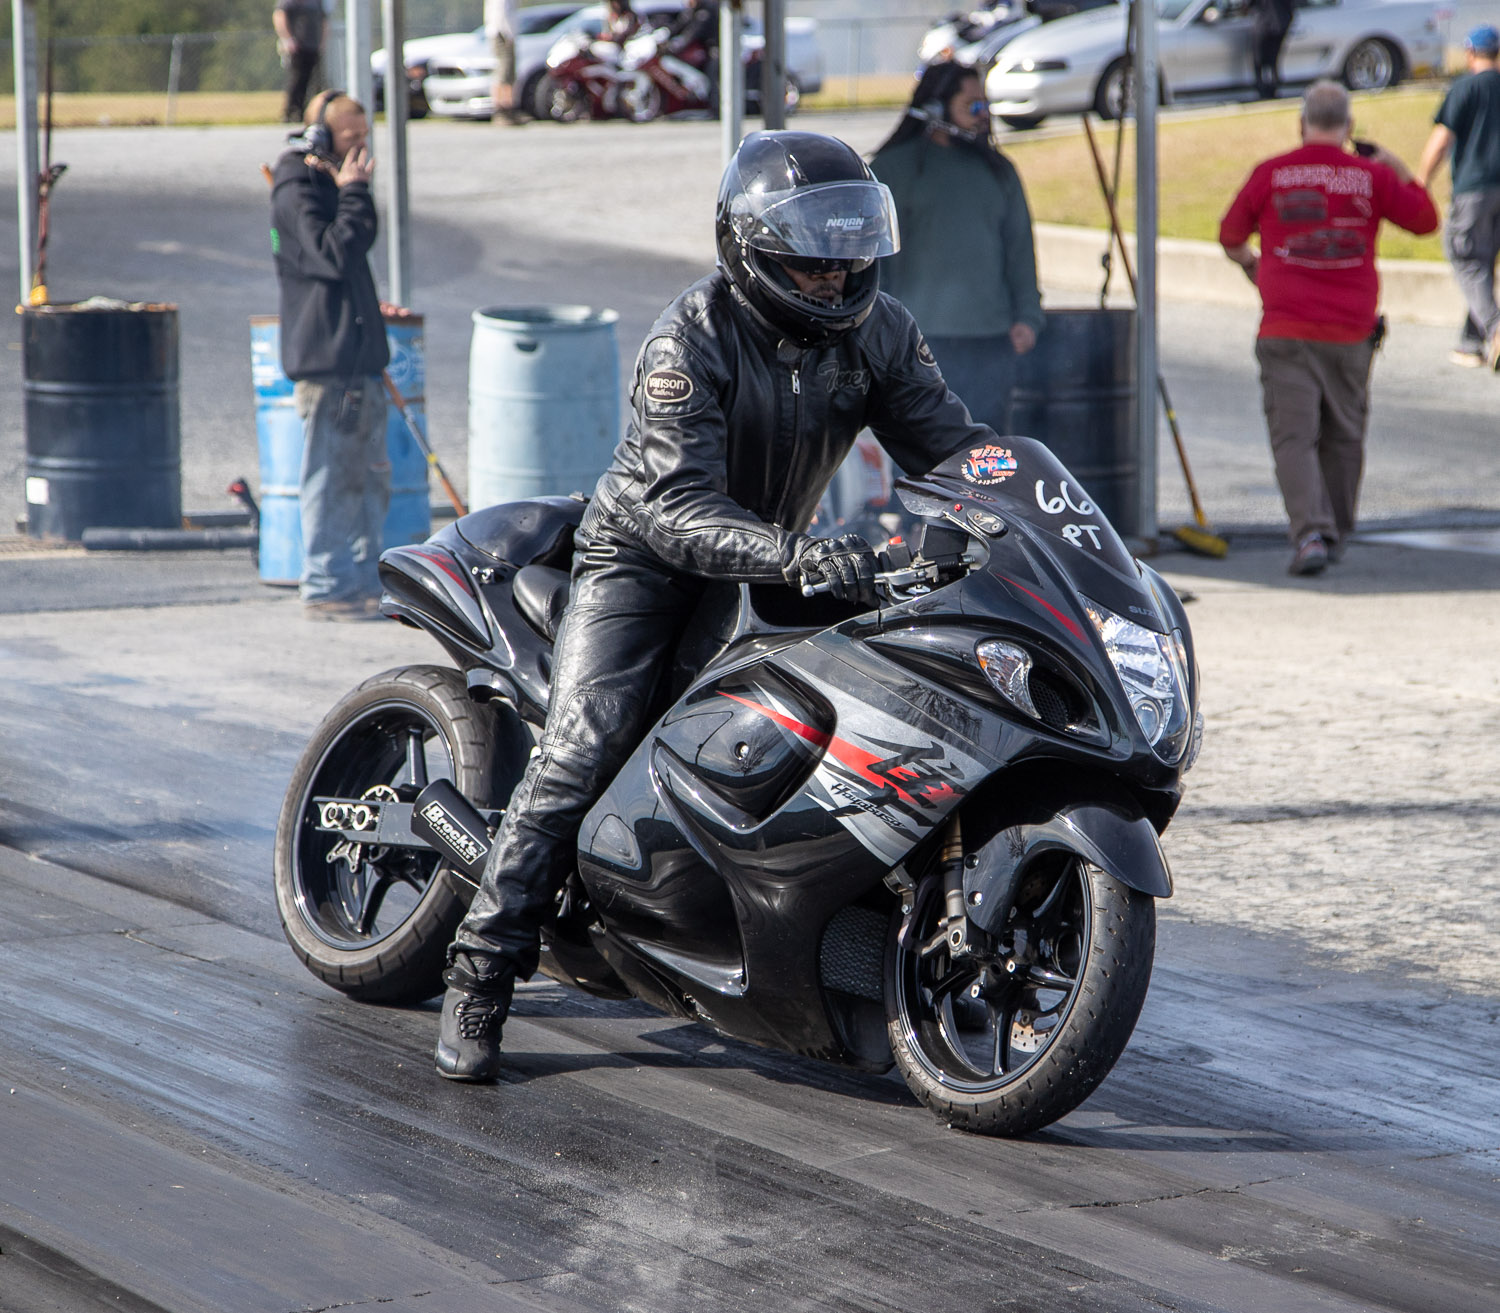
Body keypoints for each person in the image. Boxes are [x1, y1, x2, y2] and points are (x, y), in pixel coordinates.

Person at [434, 130, 1000, 1082]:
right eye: (811, 252)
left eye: (848, 245)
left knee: (858, 721)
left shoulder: (880, 331)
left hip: (774, 557)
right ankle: (480, 969)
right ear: (749, 244)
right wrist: (800, 554)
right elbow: (677, 505)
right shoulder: (689, 336)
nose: (834, 271)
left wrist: (1026, 516)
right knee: (585, 742)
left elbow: (955, 450)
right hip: (647, 555)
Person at [1219, 80, 1437, 576]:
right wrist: (1396, 165)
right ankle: (1336, 532)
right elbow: (1425, 220)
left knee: (1293, 436)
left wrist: (1255, 267)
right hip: (1350, 331)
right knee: (1344, 434)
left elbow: (1230, 236)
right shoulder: (1371, 176)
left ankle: (1309, 534)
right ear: (1349, 126)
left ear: (1301, 124)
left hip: (1285, 328)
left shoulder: (1271, 173)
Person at [269, 91, 393, 620]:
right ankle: (325, 583)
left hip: (357, 358)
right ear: (320, 135)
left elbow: (358, 243)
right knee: (330, 476)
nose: (360, 146)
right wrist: (355, 192)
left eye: (365, 135)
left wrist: (352, 193)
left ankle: (359, 579)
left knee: (368, 476)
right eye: (350, 136)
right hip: (328, 361)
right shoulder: (298, 187)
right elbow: (334, 254)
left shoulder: (333, 184)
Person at [870, 60, 1043, 435]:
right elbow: (874, 265)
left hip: (990, 341)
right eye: (972, 106)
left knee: (987, 456)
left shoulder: (999, 171)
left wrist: (1028, 317)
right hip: (917, 346)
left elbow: (1019, 250)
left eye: (985, 105)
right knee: (919, 452)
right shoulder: (892, 170)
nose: (983, 116)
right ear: (935, 108)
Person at [1416, 25, 1500, 370]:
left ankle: (1495, 329)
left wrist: (1421, 181)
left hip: (1474, 187)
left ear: (1469, 53)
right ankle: (1470, 342)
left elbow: (1441, 140)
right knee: (1483, 261)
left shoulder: (1465, 88)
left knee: (1463, 255)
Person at [273, 0, 328, 124]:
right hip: (298, 47)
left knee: (313, 81)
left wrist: (322, 42)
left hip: (313, 46)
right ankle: (291, 111)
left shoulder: (316, 2)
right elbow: (279, 16)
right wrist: (287, 38)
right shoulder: (291, 2)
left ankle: (307, 112)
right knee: (297, 80)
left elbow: (324, 21)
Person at [485, 0, 523, 124]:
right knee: (504, 73)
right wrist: (508, 35)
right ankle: (502, 110)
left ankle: (509, 109)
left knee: (508, 73)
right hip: (502, 34)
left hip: (502, 33)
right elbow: (501, 13)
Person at [1252, 0, 1295, 100]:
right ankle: (1272, 86)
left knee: (1259, 60)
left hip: (1264, 23)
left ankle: (1264, 90)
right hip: (1281, 22)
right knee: (1273, 60)